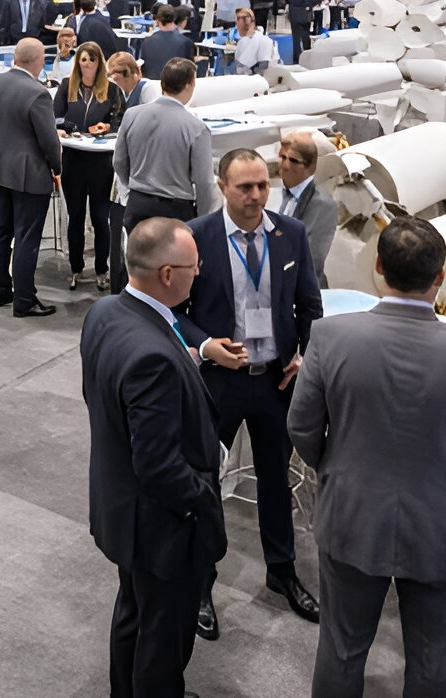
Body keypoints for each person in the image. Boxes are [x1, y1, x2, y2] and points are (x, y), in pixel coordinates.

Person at [290, 215, 446, 698]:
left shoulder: (329, 338)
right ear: (439, 278)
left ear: (378, 268)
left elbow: (302, 426)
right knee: (433, 661)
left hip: (351, 516)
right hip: (442, 526)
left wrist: (338, 468)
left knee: (341, 650)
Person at [81, 218, 229, 698]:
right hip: (161, 527)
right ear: (167, 274)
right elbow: (160, 466)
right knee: (164, 640)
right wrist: (202, 499)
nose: (200, 272)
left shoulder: (105, 312)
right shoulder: (154, 357)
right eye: (194, 265)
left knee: (134, 613)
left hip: (122, 507)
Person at [181, 148, 324, 636]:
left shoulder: (291, 234)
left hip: (274, 382)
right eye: (245, 187)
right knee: (205, 485)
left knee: (275, 481)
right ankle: (200, 581)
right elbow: (174, 311)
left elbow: (309, 304)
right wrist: (204, 346)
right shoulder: (196, 237)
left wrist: (304, 355)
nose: (257, 196)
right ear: (222, 186)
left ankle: (282, 571)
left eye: (263, 185)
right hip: (219, 383)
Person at [0, 37, 62, 317]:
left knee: (0, 231)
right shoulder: (37, 93)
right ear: (39, 61)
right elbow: (50, 141)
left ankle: (1, 292)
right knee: (27, 236)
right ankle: (25, 300)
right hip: (29, 174)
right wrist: (56, 168)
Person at [54, 42, 125, 292]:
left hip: (100, 163)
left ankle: (102, 270)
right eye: (83, 60)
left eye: (91, 60)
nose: (87, 65)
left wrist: (106, 128)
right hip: (73, 159)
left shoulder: (113, 89)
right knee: (75, 218)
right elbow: (56, 117)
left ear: (99, 63)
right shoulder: (66, 86)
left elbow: (119, 121)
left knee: (99, 219)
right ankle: (75, 267)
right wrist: (64, 128)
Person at [115, 57, 217, 232]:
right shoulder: (196, 128)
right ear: (190, 83)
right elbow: (204, 182)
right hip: (175, 210)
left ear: (162, 84)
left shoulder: (131, 115)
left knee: (139, 258)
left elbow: (119, 161)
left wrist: (135, 186)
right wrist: (201, 219)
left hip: (138, 204)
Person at [276, 130, 337, 286]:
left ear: (311, 167)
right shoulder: (281, 194)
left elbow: (311, 260)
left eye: (294, 161)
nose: (285, 164)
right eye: (282, 157)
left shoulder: (322, 205)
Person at [139, 5, 193, 80]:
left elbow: (143, 70)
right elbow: (190, 71)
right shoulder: (186, 42)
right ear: (174, 19)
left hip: (153, 86)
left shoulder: (146, 42)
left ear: (158, 21)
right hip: (176, 87)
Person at [227, 7, 277, 76]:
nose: (236, 27)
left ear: (246, 22)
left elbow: (264, 68)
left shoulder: (264, 41)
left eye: (237, 23)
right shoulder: (241, 42)